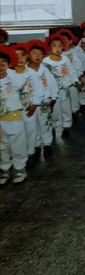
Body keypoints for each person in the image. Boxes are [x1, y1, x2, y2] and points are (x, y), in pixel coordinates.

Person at [0, 45, 28, 184]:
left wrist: (9, 71)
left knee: (17, 144)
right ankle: (4, 168)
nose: (0, 67)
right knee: (2, 146)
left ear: (9, 64)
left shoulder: (14, 78)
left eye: (3, 63)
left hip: (14, 116)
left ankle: (19, 168)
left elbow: (21, 82)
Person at [11, 43, 44, 159]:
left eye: (22, 55)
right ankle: (19, 154)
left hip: (29, 108)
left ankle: (31, 151)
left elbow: (39, 90)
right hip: (14, 110)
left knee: (31, 130)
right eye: (16, 56)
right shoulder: (9, 73)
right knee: (17, 133)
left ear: (27, 56)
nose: (20, 58)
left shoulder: (31, 73)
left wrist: (35, 104)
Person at [26, 40, 58, 157]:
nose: (37, 56)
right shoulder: (24, 70)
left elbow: (53, 84)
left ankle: (47, 143)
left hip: (45, 101)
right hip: (30, 104)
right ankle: (36, 144)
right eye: (34, 53)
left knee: (45, 123)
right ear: (28, 55)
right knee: (32, 126)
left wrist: (53, 97)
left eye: (40, 54)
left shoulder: (44, 70)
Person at [43, 33, 79, 137]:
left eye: (59, 46)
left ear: (63, 47)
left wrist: (75, 81)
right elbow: (43, 76)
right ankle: (53, 125)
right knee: (54, 110)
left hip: (64, 88)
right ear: (49, 47)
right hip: (52, 91)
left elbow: (71, 71)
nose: (57, 48)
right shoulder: (46, 61)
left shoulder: (65, 59)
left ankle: (67, 125)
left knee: (66, 107)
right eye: (54, 46)